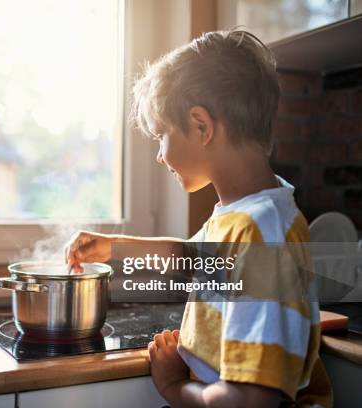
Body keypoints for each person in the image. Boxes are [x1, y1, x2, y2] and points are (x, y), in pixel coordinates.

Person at [64, 30, 332, 408]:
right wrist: (115, 248)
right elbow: (191, 255)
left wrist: (174, 387)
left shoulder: (262, 235)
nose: (160, 155)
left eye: (162, 135)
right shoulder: (244, 214)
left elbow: (248, 401)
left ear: (201, 126)